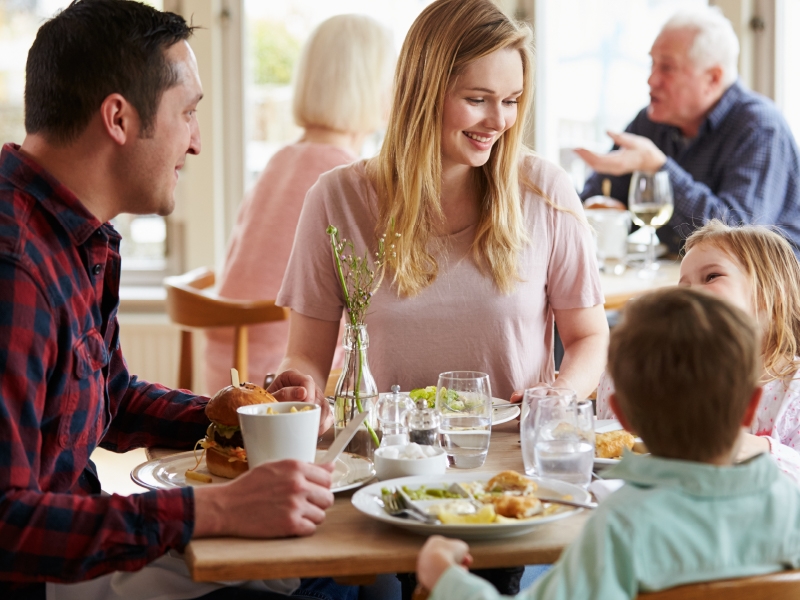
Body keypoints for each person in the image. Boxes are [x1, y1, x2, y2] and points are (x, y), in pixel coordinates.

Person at [0, 2, 352, 599]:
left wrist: (252, 418)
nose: (194, 143)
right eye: (187, 114)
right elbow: (8, 525)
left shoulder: (72, 235)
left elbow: (112, 400)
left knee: (331, 569)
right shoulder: (15, 269)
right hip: (43, 581)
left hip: (79, 551)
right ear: (118, 118)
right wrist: (209, 512)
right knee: (326, 582)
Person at [270, 0, 608, 595]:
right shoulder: (338, 198)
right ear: (423, 92)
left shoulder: (543, 191)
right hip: (386, 468)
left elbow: (588, 336)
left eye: (511, 101)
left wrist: (558, 394)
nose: (497, 121)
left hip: (504, 475)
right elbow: (306, 357)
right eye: (478, 98)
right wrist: (299, 388)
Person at [416, 286, 800, 599]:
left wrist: (445, 577)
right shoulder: (790, 510)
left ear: (623, 416)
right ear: (751, 408)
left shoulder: (621, 527)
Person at [204, 14, 396, 393]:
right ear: (372, 85)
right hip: (286, 378)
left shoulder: (282, 159)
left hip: (225, 369)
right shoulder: (343, 178)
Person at [576, 7, 800, 254]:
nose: (651, 79)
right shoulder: (652, 120)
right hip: (685, 274)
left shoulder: (760, 127)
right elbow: (600, 202)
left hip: (764, 285)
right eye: (652, 63)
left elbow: (736, 239)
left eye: (667, 68)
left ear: (713, 78)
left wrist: (659, 168)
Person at [596, 220, 800, 484]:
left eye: (712, 276)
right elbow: (612, 439)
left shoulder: (793, 392)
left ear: (772, 294)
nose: (690, 294)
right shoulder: (667, 375)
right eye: (683, 287)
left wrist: (762, 449)